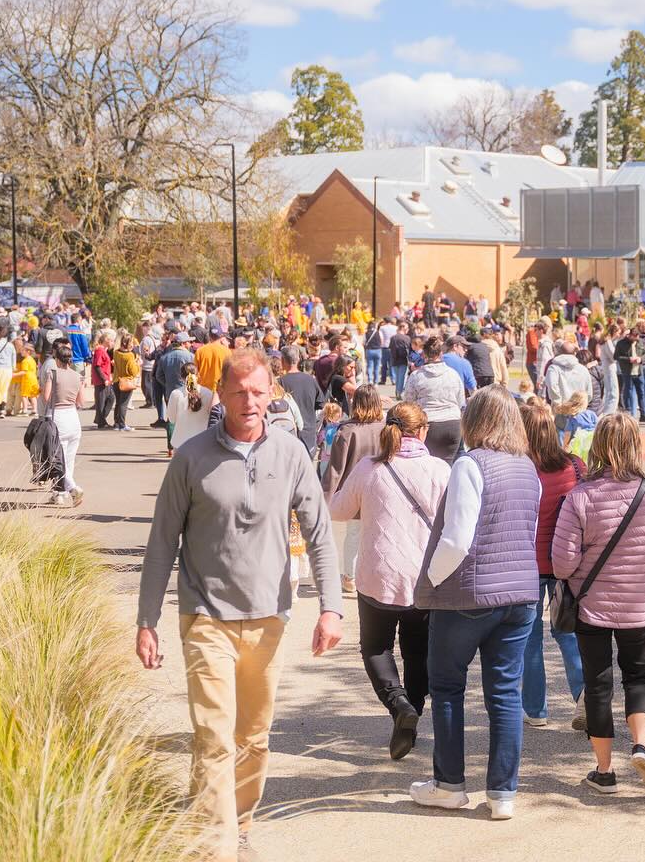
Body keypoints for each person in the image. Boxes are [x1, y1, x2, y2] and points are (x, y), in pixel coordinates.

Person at [137, 347, 343, 862]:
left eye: (258, 391)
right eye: (239, 392)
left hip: (269, 616)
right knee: (213, 736)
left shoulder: (291, 453)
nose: (249, 401)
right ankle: (216, 844)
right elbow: (162, 542)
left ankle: (239, 820)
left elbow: (318, 533)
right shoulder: (191, 457)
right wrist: (147, 621)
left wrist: (331, 608)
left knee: (253, 736)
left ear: (271, 392)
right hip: (206, 616)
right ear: (221, 394)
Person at [408, 386, 541, 821]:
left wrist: (429, 579)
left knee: (447, 687)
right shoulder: (528, 468)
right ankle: (503, 792)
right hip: (520, 592)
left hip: (469, 594)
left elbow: (457, 538)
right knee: (504, 693)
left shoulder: (470, 464)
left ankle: (449, 783)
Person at [551, 412, 645, 795]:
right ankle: (642, 746)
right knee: (639, 676)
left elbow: (562, 562)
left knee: (599, 683)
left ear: (598, 447)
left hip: (592, 606)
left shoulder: (580, 497)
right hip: (638, 603)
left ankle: (604, 770)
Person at [328, 401, 450, 760]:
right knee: (417, 651)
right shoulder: (439, 470)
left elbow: (338, 510)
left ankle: (399, 707)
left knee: (375, 648)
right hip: (425, 578)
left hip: (378, 574)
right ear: (423, 430)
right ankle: (412, 712)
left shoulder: (370, 468)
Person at [518, 401, 588, 731]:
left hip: (527, 563)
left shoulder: (519, 469)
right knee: (568, 631)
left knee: (529, 638)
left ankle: (536, 708)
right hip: (567, 562)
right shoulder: (575, 466)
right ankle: (584, 693)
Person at [322, 384, 386, 593]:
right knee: (377, 534)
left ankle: (349, 576)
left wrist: (324, 499)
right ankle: (372, 573)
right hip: (381, 489)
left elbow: (335, 470)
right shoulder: (385, 429)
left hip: (353, 491)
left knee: (353, 534)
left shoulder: (347, 431)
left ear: (354, 402)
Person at [403, 335, 467, 463]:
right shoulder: (453, 375)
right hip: (452, 423)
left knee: (428, 464)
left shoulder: (417, 376)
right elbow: (461, 402)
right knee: (449, 465)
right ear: (441, 354)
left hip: (429, 424)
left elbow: (408, 403)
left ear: (424, 355)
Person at [40, 341, 86, 507]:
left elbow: (46, 397)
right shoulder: (77, 376)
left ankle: (72, 488)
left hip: (57, 416)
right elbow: (82, 401)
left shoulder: (54, 373)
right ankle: (60, 493)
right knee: (69, 459)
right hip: (73, 417)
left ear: (56, 359)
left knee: (57, 460)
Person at [277, 346, 324, 452]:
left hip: (288, 434)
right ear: (298, 359)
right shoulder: (310, 380)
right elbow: (320, 404)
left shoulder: (280, 383)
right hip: (309, 434)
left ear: (282, 360)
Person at [166, 362, 214, 457]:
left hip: (180, 441)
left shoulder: (176, 394)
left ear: (181, 377)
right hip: (202, 441)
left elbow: (172, 419)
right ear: (198, 375)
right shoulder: (208, 393)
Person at [111, 332, 142, 431]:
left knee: (118, 403)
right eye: (131, 342)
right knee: (124, 404)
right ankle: (122, 425)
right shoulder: (129, 355)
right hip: (126, 381)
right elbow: (132, 371)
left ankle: (116, 423)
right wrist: (138, 364)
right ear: (127, 343)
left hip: (116, 380)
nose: (132, 344)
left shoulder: (116, 352)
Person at [91, 329, 115, 429]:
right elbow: (97, 366)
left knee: (110, 398)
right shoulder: (100, 351)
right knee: (102, 401)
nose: (113, 343)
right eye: (111, 341)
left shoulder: (102, 350)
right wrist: (104, 378)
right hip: (102, 381)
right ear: (106, 340)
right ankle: (101, 421)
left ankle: (101, 419)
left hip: (105, 380)